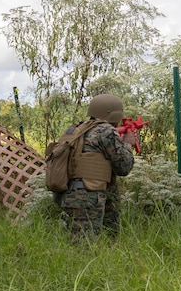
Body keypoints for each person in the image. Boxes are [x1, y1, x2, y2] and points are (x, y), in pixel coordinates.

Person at [54, 93, 137, 241]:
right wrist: (127, 144)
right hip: (88, 197)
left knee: (80, 243)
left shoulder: (76, 129)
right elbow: (124, 167)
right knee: (85, 248)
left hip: (67, 192)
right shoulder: (106, 131)